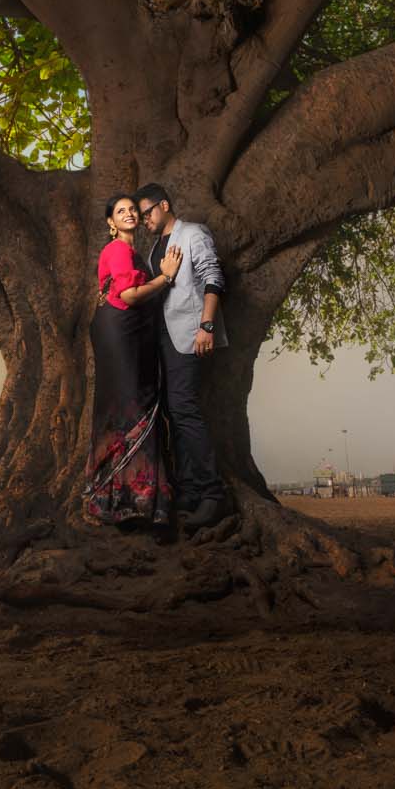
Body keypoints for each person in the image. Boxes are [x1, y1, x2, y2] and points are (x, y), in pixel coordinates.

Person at [134, 182, 231, 531]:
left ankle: (212, 494)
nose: (144, 219)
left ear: (164, 204)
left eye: (148, 212)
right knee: (173, 413)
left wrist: (206, 325)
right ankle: (189, 489)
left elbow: (213, 276)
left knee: (185, 410)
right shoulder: (153, 250)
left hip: (189, 336)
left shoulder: (192, 234)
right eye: (141, 215)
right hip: (161, 339)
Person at [81, 194, 181, 528]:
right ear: (110, 223)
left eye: (132, 210)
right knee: (131, 405)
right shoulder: (117, 250)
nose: (128, 214)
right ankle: (128, 501)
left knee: (134, 404)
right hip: (120, 332)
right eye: (120, 211)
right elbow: (128, 295)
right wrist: (166, 276)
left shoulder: (135, 253)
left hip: (130, 333)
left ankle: (137, 500)